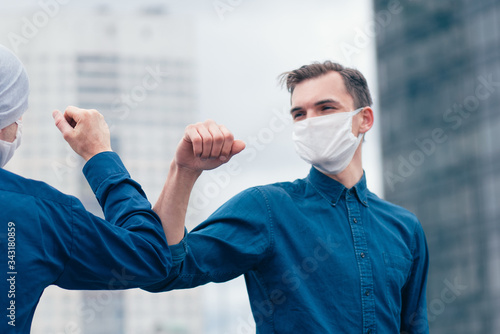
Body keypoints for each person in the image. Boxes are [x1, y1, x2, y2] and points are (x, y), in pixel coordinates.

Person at [146, 61, 430, 333]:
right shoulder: (267, 208)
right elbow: (164, 268)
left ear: (364, 119)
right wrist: (183, 172)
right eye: (299, 114)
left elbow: (414, 327)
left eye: (326, 108)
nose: (310, 122)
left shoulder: (405, 227)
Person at [0, 45, 174, 333]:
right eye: (17, 118)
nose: (18, 130)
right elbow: (149, 257)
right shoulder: (36, 214)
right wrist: (99, 154)